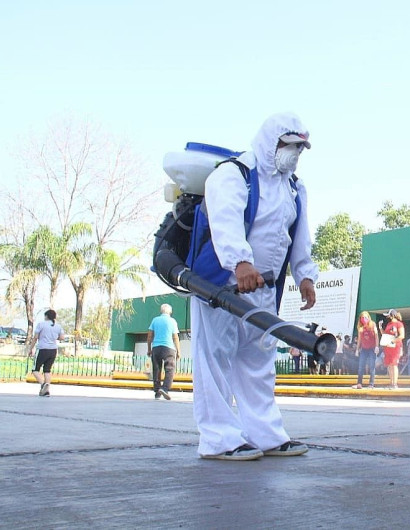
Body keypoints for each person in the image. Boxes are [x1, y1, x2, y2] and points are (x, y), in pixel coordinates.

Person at [190, 112, 318, 461]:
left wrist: (305, 274)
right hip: (222, 285)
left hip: (263, 289)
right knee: (214, 359)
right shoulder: (234, 174)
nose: (294, 154)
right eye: (289, 145)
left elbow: (298, 236)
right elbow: (225, 218)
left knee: (258, 361)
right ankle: (218, 438)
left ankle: (266, 434)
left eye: (300, 148)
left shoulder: (294, 187)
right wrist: (240, 261)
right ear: (270, 141)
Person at [146, 303, 181, 400]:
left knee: (156, 369)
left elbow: (149, 336)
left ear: (161, 311)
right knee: (170, 369)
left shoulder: (155, 320)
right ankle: (165, 388)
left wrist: (149, 348)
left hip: (156, 347)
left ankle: (157, 391)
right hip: (169, 348)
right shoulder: (172, 321)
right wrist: (178, 351)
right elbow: (175, 337)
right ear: (170, 312)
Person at [28, 309, 65, 397]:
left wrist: (31, 349)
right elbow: (62, 337)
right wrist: (53, 337)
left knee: (35, 369)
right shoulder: (58, 326)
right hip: (53, 350)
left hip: (42, 349)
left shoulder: (41, 324)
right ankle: (46, 390)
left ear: (46, 316)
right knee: (47, 370)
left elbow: (35, 337)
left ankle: (43, 384)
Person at [353, 311, 379, 389]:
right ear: (360, 319)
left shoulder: (373, 324)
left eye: (365, 317)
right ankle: (359, 383)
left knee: (372, 366)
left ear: (368, 317)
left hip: (372, 348)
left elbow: (376, 336)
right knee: (361, 366)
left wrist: (377, 346)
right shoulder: (360, 327)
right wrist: (357, 349)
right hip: (364, 349)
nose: (364, 319)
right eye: (362, 317)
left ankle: (371, 384)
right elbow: (360, 339)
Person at [382, 309, 405, 389]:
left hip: (396, 347)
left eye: (388, 315)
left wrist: (393, 341)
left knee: (394, 364)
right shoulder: (388, 324)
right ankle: (391, 383)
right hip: (388, 347)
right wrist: (380, 328)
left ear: (392, 315)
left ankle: (395, 384)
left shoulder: (399, 324)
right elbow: (385, 335)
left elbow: (402, 336)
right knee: (389, 365)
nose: (387, 317)